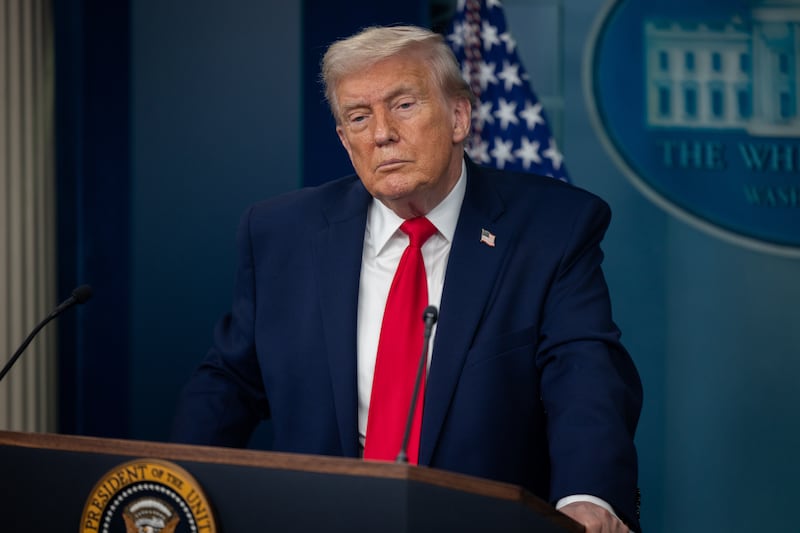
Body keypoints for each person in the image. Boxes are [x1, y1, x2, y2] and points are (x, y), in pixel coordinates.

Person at [171, 25, 642, 533]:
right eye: (358, 117)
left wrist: (586, 495)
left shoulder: (552, 228)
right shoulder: (282, 233)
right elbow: (231, 381)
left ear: (459, 116)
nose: (381, 133)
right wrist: (168, 484)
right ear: (344, 140)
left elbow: (584, 373)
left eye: (403, 105)